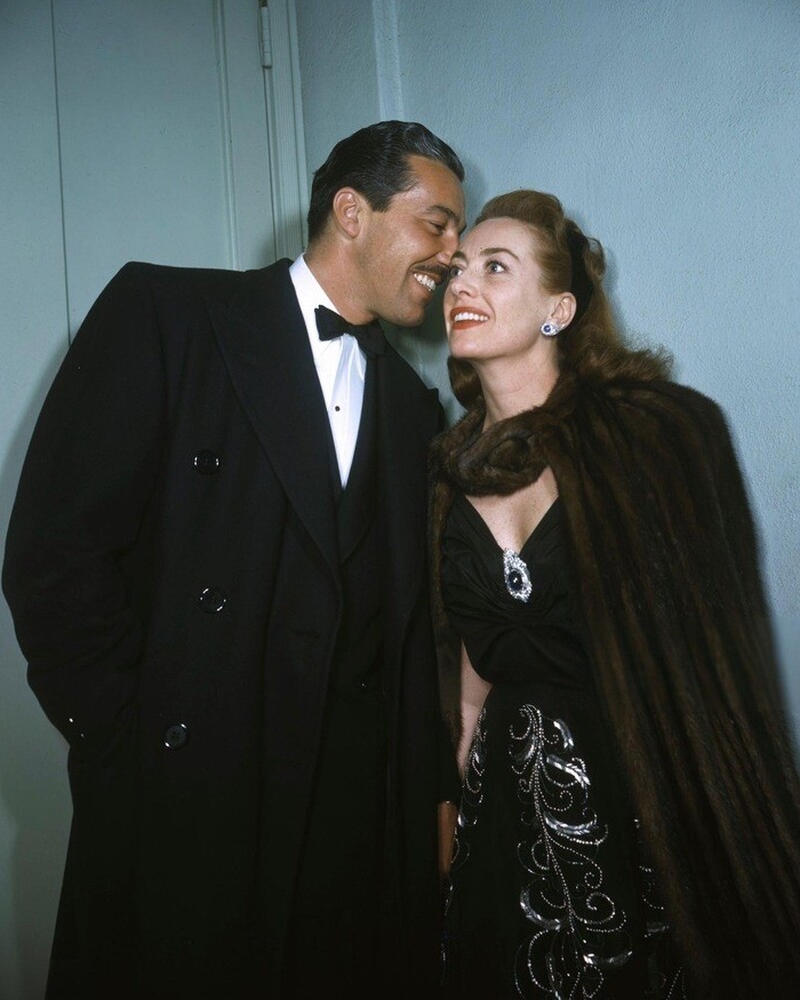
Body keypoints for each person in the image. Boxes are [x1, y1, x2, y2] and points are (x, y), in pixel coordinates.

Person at [2, 120, 466, 999]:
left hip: (348, 841)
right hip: (188, 807)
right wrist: (128, 742)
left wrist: (423, 792)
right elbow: (53, 552)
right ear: (352, 211)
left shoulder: (415, 409)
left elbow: (409, 641)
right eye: (437, 224)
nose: (453, 252)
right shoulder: (167, 313)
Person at [429, 190, 800, 999]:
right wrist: (453, 778)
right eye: (456, 269)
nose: (462, 285)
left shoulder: (652, 436)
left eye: (495, 267)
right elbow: (469, 656)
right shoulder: (446, 472)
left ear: (558, 309)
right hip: (502, 808)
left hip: (641, 791)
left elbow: (711, 653)